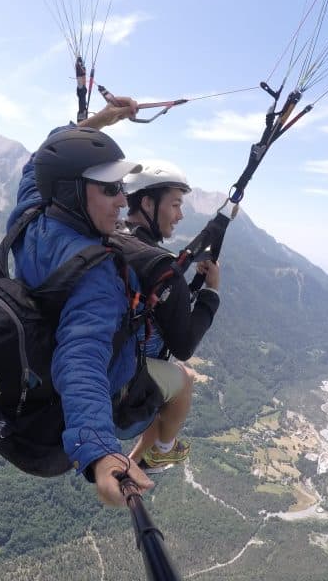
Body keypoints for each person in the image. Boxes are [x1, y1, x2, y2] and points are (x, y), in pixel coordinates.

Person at [5, 102, 193, 506]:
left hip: (43, 345)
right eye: (110, 189)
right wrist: (100, 450)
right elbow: (83, 359)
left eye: (121, 188)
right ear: (72, 190)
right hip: (113, 387)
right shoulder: (96, 276)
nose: (123, 201)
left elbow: (39, 163)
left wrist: (100, 121)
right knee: (184, 381)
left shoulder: (31, 216)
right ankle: (161, 450)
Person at [119, 163, 222, 470]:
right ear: (148, 203)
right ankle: (164, 450)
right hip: (122, 374)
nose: (180, 215)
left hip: (103, 354)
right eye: (175, 205)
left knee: (160, 397)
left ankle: (135, 463)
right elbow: (184, 345)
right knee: (184, 379)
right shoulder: (163, 269)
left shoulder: (113, 235)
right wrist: (210, 292)